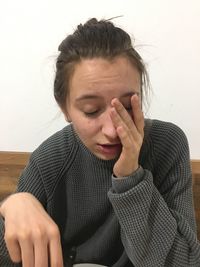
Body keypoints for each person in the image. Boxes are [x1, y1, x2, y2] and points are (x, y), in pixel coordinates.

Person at [0, 17, 200, 267]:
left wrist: (130, 177)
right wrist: (12, 205)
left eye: (127, 106)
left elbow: (185, 263)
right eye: (91, 110)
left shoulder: (167, 145)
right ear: (65, 108)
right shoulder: (50, 159)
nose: (112, 131)